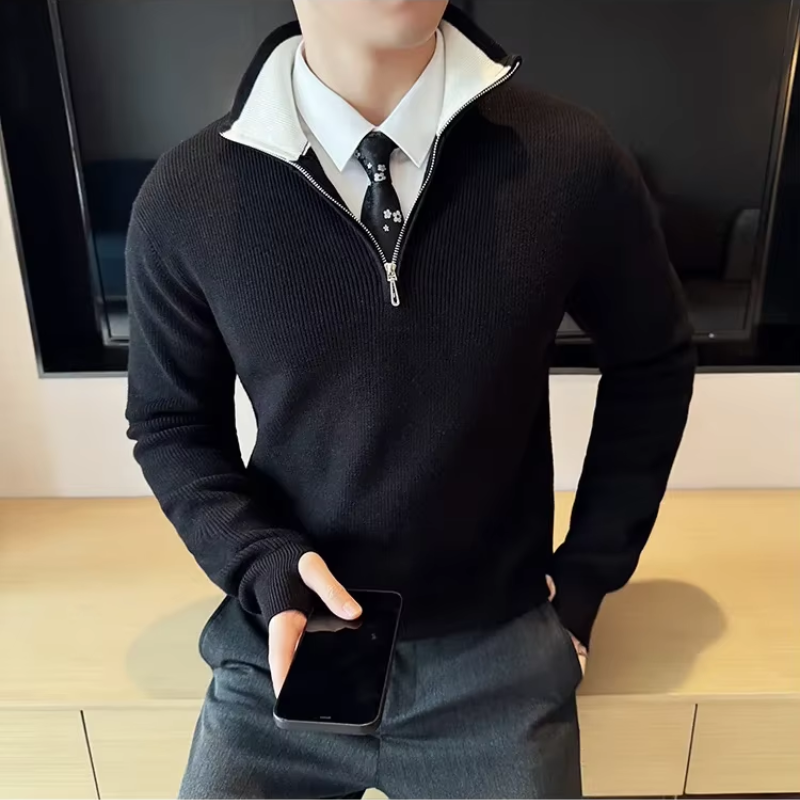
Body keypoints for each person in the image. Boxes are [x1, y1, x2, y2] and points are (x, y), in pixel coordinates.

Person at [125, 1, 696, 797]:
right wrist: (259, 560)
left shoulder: (570, 159)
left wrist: (587, 578)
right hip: (286, 650)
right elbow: (171, 421)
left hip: (499, 655)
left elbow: (653, 360)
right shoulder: (188, 194)